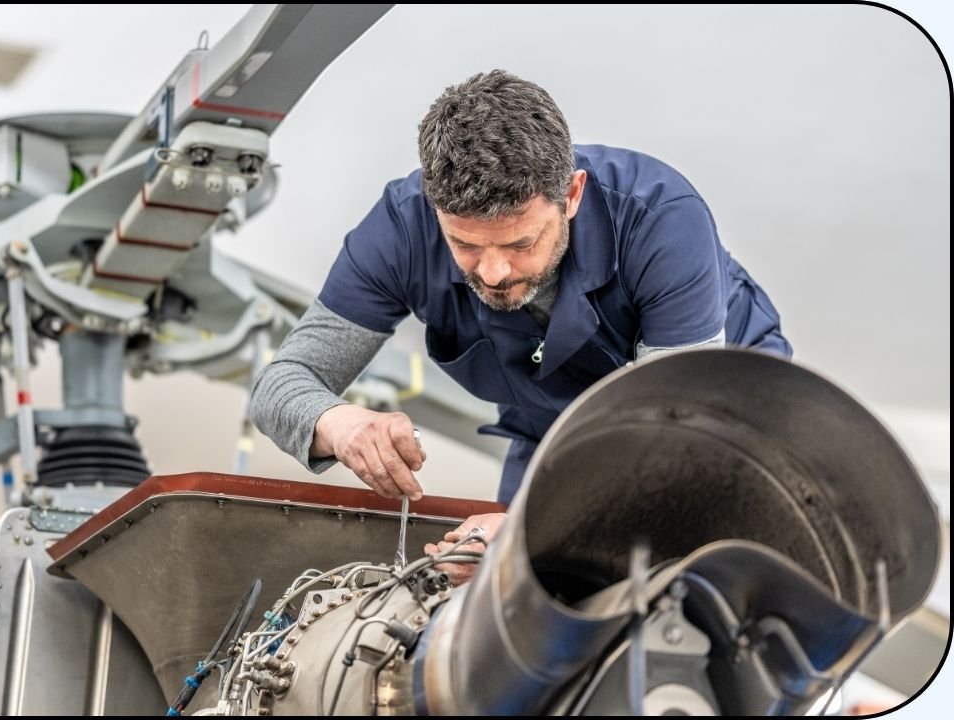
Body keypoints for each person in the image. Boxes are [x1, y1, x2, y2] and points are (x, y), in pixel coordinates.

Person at [248, 70, 790, 583]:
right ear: (435, 209)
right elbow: (280, 385)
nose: (493, 272)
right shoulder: (399, 231)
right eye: (464, 244)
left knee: (691, 593)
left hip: (717, 426)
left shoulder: (662, 220)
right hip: (553, 431)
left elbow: (672, 440)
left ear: (572, 195)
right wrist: (339, 423)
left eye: (521, 243)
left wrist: (529, 533)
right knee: (502, 605)